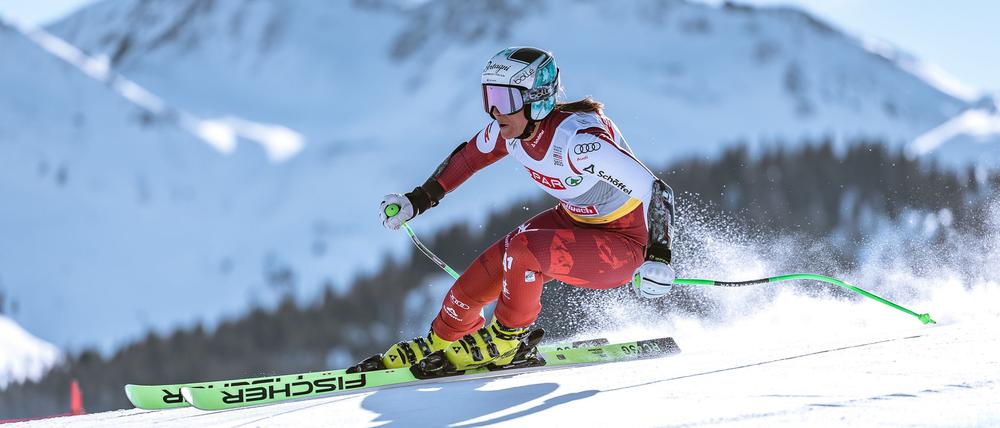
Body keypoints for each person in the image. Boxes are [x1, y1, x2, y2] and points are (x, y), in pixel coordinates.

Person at [376, 47, 677, 371]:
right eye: (489, 98)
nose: (495, 112)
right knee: (483, 272)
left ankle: (507, 339)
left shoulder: (578, 142)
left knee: (523, 250)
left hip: (624, 245)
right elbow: (468, 158)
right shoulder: (513, 132)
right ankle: (441, 341)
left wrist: (659, 255)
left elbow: (657, 192)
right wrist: (417, 200)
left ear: (538, 99)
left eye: (504, 101)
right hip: (576, 221)